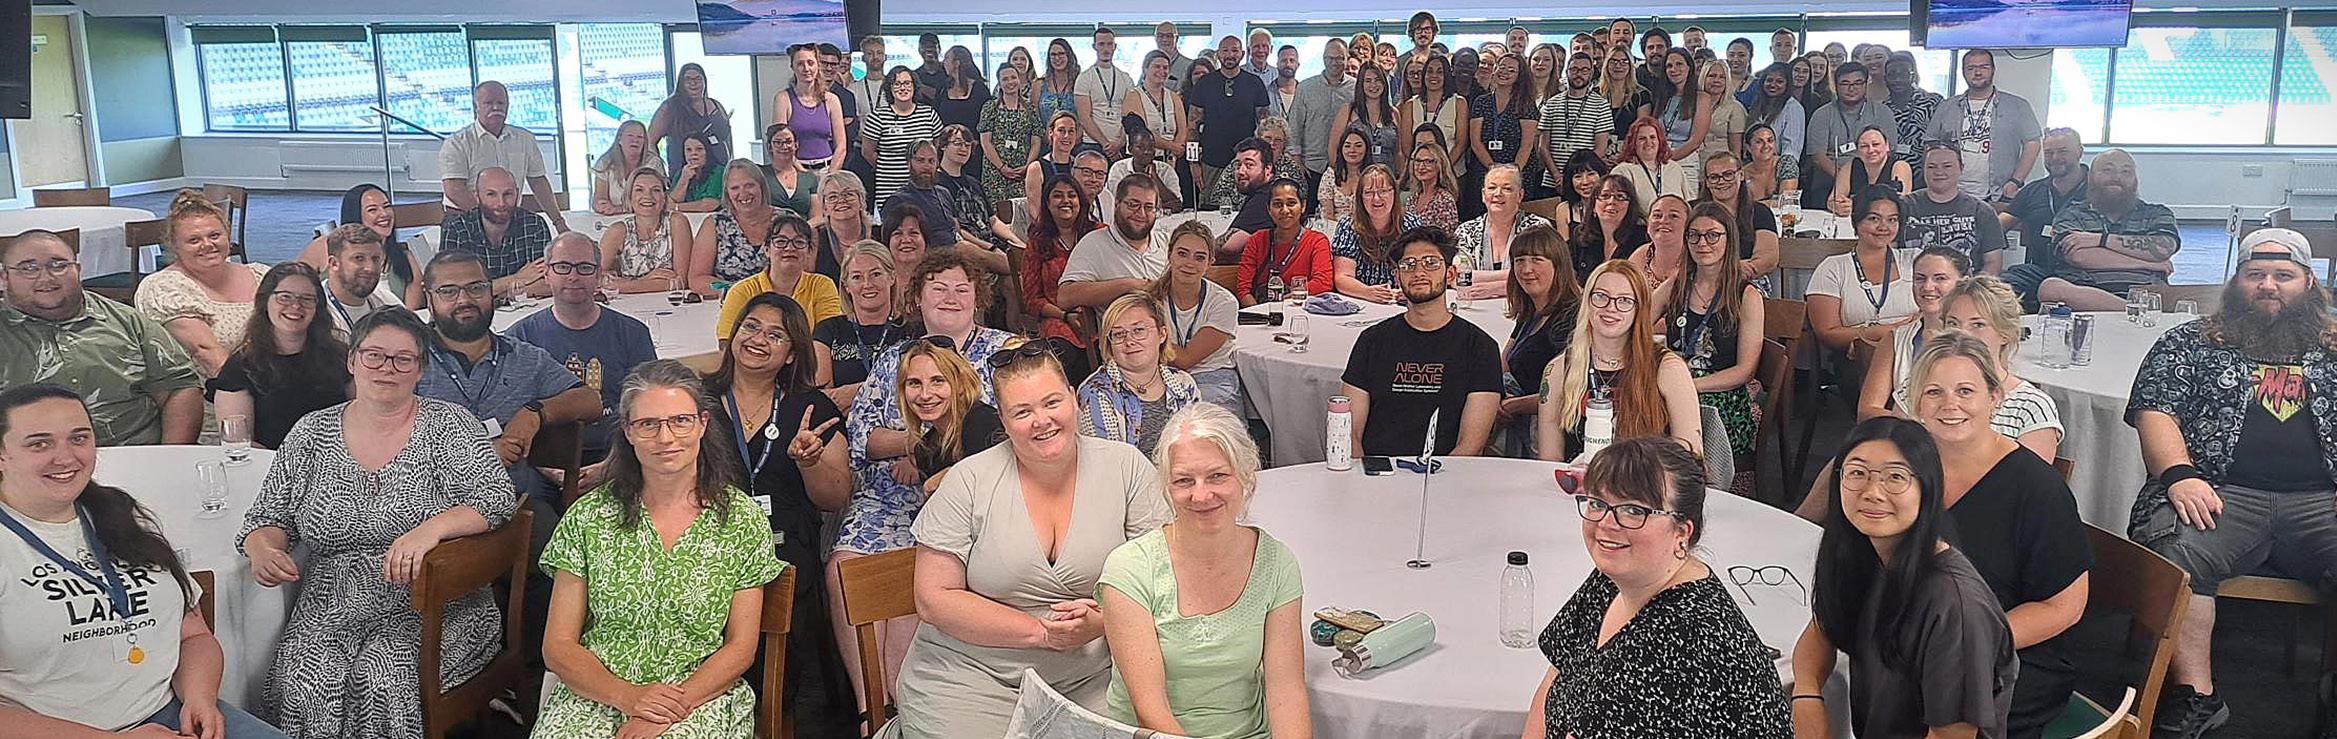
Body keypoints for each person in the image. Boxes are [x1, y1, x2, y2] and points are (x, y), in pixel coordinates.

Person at [239, 308, 520, 738]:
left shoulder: (449, 425)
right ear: (352, 360)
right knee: (305, 681)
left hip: (436, 600)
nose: (387, 368)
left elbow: (497, 499)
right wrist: (262, 547)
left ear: (420, 370)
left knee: (381, 676)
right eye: (374, 355)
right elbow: (269, 517)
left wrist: (430, 530)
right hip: (332, 604)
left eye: (403, 359)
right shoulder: (311, 432)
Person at [882, 344, 1171, 739]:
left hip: (1092, 676)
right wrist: (1041, 632)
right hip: (967, 676)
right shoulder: (967, 480)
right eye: (1022, 412)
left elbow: (1158, 580)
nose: (1041, 421)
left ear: (1074, 398)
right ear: (1002, 419)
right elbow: (933, 598)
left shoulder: (1127, 467)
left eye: (1052, 402)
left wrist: (1104, 620)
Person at [2123, 229, 2337, 738]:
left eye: (2283, 275)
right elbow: (2155, 412)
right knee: (2175, 553)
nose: (2269, 285)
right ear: (2235, 281)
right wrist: (2180, 476)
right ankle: (2197, 696)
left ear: (2309, 282)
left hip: (2323, 500)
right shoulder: (2189, 341)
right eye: (2255, 274)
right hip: (2218, 492)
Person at [0, 385, 291, 739]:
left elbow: (193, 635)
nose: (65, 457)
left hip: (168, 715)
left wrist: (199, 699)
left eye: (79, 438)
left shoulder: (118, 514)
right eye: (39, 444)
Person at [532, 358, 789, 738]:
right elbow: (558, 645)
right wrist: (629, 698)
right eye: (648, 424)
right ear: (628, 432)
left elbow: (740, 648)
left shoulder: (741, 520)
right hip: (598, 691)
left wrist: (660, 713)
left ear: (703, 423)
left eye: (680, 421)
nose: (666, 438)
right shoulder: (588, 517)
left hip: (697, 696)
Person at [835, 251, 1020, 696]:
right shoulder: (896, 357)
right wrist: (917, 447)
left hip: (973, 507)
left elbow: (1013, 441)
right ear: (917, 297)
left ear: (978, 298)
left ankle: (901, 701)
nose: (950, 297)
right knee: (847, 569)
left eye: (961, 289)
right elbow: (862, 434)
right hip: (890, 497)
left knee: (915, 579)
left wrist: (938, 469)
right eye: (938, 288)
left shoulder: (1008, 353)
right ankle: (870, 707)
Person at [1522, 437, 1791, 739]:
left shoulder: (1685, 638)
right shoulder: (1615, 576)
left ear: (1682, 531)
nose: (1607, 523)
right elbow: (1553, 680)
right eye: (1597, 503)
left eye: (1634, 510)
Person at [1901, 331, 2094, 739]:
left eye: (1965, 391)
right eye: (1934, 392)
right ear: (1916, 402)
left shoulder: (2037, 489)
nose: (1950, 404)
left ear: (1993, 397)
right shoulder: (1905, 471)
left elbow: (2064, 607)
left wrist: (1963, 645)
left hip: (2012, 655)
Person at [1790, 417, 2017, 739]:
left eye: (1895, 477)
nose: (1872, 492)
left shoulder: (1954, 605)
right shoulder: (1864, 552)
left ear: (1928, 488)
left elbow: (1951, 736)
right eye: (1857, 473)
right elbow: (1823, 627)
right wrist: (1807, 695)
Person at [1099, 403, 1308, 738]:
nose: (1201, 495)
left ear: (1245, 475)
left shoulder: (1276, 563)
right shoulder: (1130, 569)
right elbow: (1150, 711)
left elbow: (1287, 691)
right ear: (1167, 487)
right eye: (1184, 480)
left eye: (1217, 476)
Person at [702, 294, 857, 733]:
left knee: (790, 592)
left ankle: (773, 708)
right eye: (751, 327)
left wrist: (810, 463)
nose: (759, 339)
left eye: (776, 335)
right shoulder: (695, 400)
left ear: (791, 354)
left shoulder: (812, 410)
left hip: (784, 546)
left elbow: (835, 497)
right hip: (706, 545)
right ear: (734, 333)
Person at [415, 250, 603, 511]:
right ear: (429, 299)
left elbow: (590, 401)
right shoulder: (406, 360)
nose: (464, 300)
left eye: (476, 288)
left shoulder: (524, 357)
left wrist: (534, 413)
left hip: (516, 507)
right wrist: (478, 455)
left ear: (491, 290)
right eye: (448, 291)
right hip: (429, 508)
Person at [0, 231, 201, 446]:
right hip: (28, 460)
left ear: (77, 270)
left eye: (58, 265)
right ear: (4, 277)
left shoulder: (125, 320)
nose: (46, 278)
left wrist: (169, 455)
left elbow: (180, 386)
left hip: (136, 452)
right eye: (28, 268)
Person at [1340, 226, 1504, 457]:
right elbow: (1349, 433)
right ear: (1397, 277)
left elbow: (1471, 446)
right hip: (1376, 472)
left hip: (1448, 473)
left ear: (1450, 274)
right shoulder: (1372, 341)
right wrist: (1362, 474)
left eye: (1431, 263)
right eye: (1408, 265)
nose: (1418, 272)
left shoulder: (1480, 347)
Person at [506, 233, 658, 459]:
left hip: (619, 456)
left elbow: (649, 409)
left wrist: (612, 465)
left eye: (584, 268)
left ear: (598, 275)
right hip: (540, 459)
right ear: (546, 274)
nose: (573, 276)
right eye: (562, 267)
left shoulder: (633, 334)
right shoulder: (519, 338)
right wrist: (544, 469)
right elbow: (510, 415)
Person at [1536, 260, 1703, 462]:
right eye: (1601, 296)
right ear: (1587, 302)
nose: (1610, 308)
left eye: (1624, 300)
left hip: (1647, 480)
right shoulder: (1558, 370)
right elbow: (1550, 460)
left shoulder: (1668, 368)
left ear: (1639, 308)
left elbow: (1691, 457)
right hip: (1580, 479)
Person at [1663, 203, 1766, 461]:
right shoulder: (1678, 284)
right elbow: (1638, 318)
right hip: (1676, 380)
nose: (1702, 243)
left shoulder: (1746, 295)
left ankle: (1693, 478)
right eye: (1694, 235)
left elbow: (1745, 371)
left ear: (1729, 239)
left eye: (1712, 235)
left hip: (1721, 392)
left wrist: (1688, 386)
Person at [210, 262, 350, 451]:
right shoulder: (241, 367)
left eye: (307, 299)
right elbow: (238, 442)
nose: (296, 306)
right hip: (268, 464)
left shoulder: (341, 357)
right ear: (265, 301)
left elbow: (365, 418)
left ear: (317, 307)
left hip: (339, 461)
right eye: (285, 297)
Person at [136, 191, 268, 377]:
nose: (207, 244)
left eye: (214, 235)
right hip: (213, 386)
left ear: (227, 235)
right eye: (194, 240)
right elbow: (206, 355)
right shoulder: (164, 288)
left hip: (273, 377)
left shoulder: (261, 275)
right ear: (175, 246)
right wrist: (257, 390)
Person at [2038, 149, 2179, 312]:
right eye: (2107, 170)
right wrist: (2148, 263)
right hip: (2084, 298)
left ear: (2135, 180)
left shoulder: (2157, 214)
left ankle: (2133, 311)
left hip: (2146, 293)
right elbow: (2079, 256)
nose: (2117, 177)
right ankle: (2133, 312)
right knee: (2050, 288)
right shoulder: (2071, 214)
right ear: (2090, 177)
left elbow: (2163, 248)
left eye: (2126, 172)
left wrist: (2100, 240)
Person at [1078, 295, 1203, 454]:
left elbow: (1200, 446)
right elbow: (1110, 462)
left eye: (1138, 330)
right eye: (1119, 334)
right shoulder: (1095, 393)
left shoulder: (1184, 383)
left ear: (1162, 334)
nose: (1129, 341)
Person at [439, 80, 567, 234]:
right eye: (488, 103)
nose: (496, 108)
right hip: (464, 219)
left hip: (509, 218)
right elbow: (454, 189)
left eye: (501, 103)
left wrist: (558, 222)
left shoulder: (525, 139)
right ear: (476, 106)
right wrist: (489, 219)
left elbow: (538, 182)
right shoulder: (456, 143)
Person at [1807, 186, 1920, 353]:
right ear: (1856, 220)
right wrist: (1887, 331)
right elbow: (1827, 334)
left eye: (1892, 220)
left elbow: (1940, 308)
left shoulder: (1916, 260)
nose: (1883, 227)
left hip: (1915, 352)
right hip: (1858, 358)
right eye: (1874, 219)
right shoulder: (1832, 268)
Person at [1498, 227, 1582, 442]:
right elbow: (1504, 362)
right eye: (1520, 260)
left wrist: (1513, 406)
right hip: (1517, 417)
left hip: (1550, 430)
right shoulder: (1530, 312)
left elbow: (1571, 390)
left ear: (1558, 264)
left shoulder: (1573, 317)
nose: (1526, 269)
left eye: (1536, 260)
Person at [1927, 50, 2041, 203]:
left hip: (1998, 194)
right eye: (1971, 68)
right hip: (1951, 193)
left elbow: (2033, 143)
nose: (1978, 72)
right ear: (1963, 72)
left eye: (1984, 67)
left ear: (1993, 70)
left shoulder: (2017, 105)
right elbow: (1930, 144)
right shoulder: (1946, 107)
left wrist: (2016, 181)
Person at [1149, 222, 1242, 410]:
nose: (1190, 264)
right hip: (1160, 376)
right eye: (1182, 254)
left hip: (1213, 377)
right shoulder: (1149, 300)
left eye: (1199, 258)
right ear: (1169, 255)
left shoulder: (1224, 302)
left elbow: (1186, 359)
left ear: (1210, 263)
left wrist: (1149, 343)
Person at [717, 214, 845, 343]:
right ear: (767, 249)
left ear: (809, 251)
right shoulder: (742, 290)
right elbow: (726, 341)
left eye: (799, 242)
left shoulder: (822, 285)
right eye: (781, 242)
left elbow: (831, 339)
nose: (790, 248)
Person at [297, 185, 425, 312]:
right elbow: (292, 282)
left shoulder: (407, 260)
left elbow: (409, 315)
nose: (384, 214)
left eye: (387, 206)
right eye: (372, 210)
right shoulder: (325, 246)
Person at [1999, 128, 2087, 311]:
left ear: (2079, 152)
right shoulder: (2033, 191)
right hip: (2040, 271)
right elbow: (1997, 227)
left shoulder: (2098, 190)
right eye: (2049, 153)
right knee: (1994, 291)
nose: (2055, 158)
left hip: (2085, 273)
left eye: (2062, 151)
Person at [438, 167, 555, 297]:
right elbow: (451, 291)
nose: (501, 203)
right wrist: (518, 278)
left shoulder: (534, 224)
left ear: (517, 194)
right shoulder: (456, 229)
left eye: (508, 194)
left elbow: (548, 283)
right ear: (477, 196)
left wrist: (492, 292)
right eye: (491, 194)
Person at [1061, 175, 1171, 311]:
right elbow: (1065, 297)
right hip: (1125, 323)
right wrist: (1127, 286)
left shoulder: (1167, 242)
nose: (1141, 214)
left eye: (1149, 207)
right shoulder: (1094, 243)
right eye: (1133, 205)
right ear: (1116, 204)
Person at [814, 242, 904, 406]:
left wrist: (859, 391)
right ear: (846, 285)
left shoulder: (912, 330)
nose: (867, 284)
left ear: (891, 277)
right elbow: (821, 396)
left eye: (875, 274)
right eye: (857, 277)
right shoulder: (827, 330)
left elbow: (917, 385)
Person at [1901, 144, 2009, 273]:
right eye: (1931, 167)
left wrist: (1971, 286)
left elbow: (1993, 263)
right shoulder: (1903, 206)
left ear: (1961, 168)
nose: (1939, 172)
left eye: (1947, 166)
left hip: (1966, 284)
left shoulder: (1982, 211)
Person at [1805, 63, 1897, 211]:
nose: (1851, 88)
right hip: (1830, 180)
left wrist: (1864, 180)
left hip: (1873, 180)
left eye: (1857, 83)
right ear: (1835, 86)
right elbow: (1818, 156)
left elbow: (1889, 150)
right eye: (1845, 83)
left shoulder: (1882, 112)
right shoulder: (1822, 114)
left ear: (1866, 84)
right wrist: (1846, 178)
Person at [1455, 164, 1554, 300]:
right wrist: (1516, 276)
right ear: (1483, 195)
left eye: (1507, 189)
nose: (1498, 194)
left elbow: (1545, 275)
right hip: (1475, 305)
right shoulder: (1465, 231)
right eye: (1492, 188)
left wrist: (1498, 288)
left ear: (1520, 195)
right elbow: (1457, 277)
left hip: (1527, 304)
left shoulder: (1538, 228)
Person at [1187, 36, 1270, 194]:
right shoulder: (1204, 83)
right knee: (1210, 205)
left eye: (1234, 50)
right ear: (1218, 54)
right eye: (1225, 50)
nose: (1230, 55)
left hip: (1248, 163)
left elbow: (1264, 127)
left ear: (1242, 54)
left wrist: (1264, 161)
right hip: (1211, 161)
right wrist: (1193, 162)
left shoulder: (1255, 83)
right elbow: (1192, 126)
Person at [1022, 175, 1097, 350]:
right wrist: (1065, 315)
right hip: (1058, 317)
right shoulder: (1037, 242)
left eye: (1072, 195)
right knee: (1063, 350)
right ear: (1047, 204)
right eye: (1057, 195)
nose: (1066, 201)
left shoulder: (1098, 234)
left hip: (1099, 313)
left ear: (1080, 201)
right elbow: (1032, 299)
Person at [1330, 164, 1425, 303]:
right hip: (1362, 302)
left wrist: (1411, 290)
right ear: (1360, 197)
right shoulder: (1348, 226)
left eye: (1383, 191)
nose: (1376, 198)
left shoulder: (1412, 225)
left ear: (1394, 193)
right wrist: (1368, 292)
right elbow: (1342, 277)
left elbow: (1423, 270)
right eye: (1369, 192)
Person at [691, 160, 787, 295]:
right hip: (732, 300)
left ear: (761, 186)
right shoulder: (714, 224)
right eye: (735, 188)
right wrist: (739, 292)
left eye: (749, 185)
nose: (743, 193)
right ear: (727, 192)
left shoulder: (787, 221)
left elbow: (805, 272)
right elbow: (697, 279)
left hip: (782, 301)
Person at [1466, 53, 1542, 222]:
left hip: (1518, 170)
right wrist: (1493, 170)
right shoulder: (1481, 102)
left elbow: (1526, 145)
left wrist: (1511, 174)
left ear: (1519, 76)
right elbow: (1476, 142)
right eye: (1501, 67)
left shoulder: (1526, 104)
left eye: (1511, 70)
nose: (1504, 72)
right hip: (1484, 169)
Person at [1237, 179, 1336, 306]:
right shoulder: (1257, 240)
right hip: (1259, 310)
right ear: (1268, 209)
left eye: (1291, 203)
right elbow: (1243, 290)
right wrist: (1259, 312)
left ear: (1303, 206)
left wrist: (1282, 304)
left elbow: (1323, 282)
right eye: (1277, 204)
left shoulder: (1317, 241)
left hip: (1299, 309)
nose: (1285, 210)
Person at [597, 167, 695, 292]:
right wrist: (645, 281)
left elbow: (681, 281)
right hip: (627, 301)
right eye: (639, 190)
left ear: (664, 197)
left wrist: (624, 285)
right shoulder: (618, 230)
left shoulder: (677, 222)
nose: (648, 196)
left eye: (655, 190)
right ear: (629, 197)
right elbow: (593, 277)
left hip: (670, 300)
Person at [862, 66, 943, 210]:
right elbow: (868, 153)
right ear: (890, 88)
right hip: (890, 190)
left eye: (907, 83)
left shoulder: (929, 114)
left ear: (914, 86)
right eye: (897, 84)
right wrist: (890, 167)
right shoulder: (877, 117)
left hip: (924, 188)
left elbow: (938, 149)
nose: (903, 88)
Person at [647, 64, 735, 190]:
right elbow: (650, 140)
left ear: (704, 82)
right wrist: (660, 173)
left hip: (719, 175)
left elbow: (727, 138)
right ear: (681, 83)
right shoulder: (670, 108)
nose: (693, 83)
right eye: (688, 79)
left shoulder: (716, 105)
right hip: (686, 178)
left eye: (698, 79)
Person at [1535, 51, 1614, 192]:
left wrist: (1577, 178)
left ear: (1591, 73)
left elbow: (1600, 148)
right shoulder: (1552, 103)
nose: (1579, 74)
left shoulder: (1601, 105)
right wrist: (1557, 176)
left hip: (1585, 183)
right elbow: (1543, 147)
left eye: (1584, 70)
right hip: (1552, 181)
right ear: (1566, 72)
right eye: (1574, 69)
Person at [1700, 152, 1783, 286]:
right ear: (1707, 182)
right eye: (1714, 177)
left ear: (1741, 175)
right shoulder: (1693, 211)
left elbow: (1768, 259)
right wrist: (1728, 270)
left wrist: (1737, 273)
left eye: (1728, 174)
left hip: (1746, 282)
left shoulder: (1760, 212)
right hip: (1701, 281)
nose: (1721, 181)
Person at [938, 124, 1025, 251]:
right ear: (943, 146)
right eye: (958, 144)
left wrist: (1017, 242)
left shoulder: (973, 183)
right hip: (966, 248)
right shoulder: (937, 184)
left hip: (991, 242)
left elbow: (993, 221)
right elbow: (955, 229)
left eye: (968, 145)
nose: (964, 149)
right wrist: (990, 249)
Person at [1639, 50, 1713, 193]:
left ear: (1689, 67)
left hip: (1685, 160)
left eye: (1679, 64)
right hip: (1656, 158)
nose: (1673, 69)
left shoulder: (1702, 98)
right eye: (1669, 66)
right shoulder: (1661, 97)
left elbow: (1696, 140)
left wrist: (1668, 158)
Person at [312, 224, 407, 333]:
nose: (370, 268)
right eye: (359, 258)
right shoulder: (314, 311)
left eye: (375, 259)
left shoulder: (388, 302)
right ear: (334, 263)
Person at [1288, 39, 1354, 187]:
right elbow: (1294, 125)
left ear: (1347, 58)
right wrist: (1297, 160)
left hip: (1347, 165)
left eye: (1339, 58)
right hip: (1311, 166)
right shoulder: (1305, 88)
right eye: (1330, 58)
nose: (1334, 62)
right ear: (1323, 58)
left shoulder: (1356, 88)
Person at [773, 45, 847, 172]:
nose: (806, 68)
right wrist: (805, 175)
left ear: (817, 65)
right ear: (792, 67)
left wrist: (830, 175)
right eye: (800, 64)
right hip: (796, 170)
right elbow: (780, 144)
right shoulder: (783, 99)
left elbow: (841, 146)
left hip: (827, 169)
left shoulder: (831, 100)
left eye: (810, 63)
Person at [979, 62, 1041, 212]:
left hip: (1022, 173)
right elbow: (985, 142)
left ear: (1019, 80)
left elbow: (1036, 141)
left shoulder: (1030, 109)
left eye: (1013, 77)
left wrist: (1027, 166)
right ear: (999, 83)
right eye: (1005, 79)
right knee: (999, 214)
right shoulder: (990, 108)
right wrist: (1002, 167)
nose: (1010, 82)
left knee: (1022, 213)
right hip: (995, 173)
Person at [1211, 139, 1282, 259]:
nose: (1240, 171)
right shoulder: (1272, 189)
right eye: (1238, 165)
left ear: (1268, 168)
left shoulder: (1264, 198)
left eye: (1249, 165)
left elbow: (1229, 246)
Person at [1399, 55, 1465, 180]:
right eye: (1429, 71)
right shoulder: (1410, 105)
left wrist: (1442, 168)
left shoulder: (1458, 103)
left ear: (1447, 76)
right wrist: (1423, 166)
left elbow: (1460, 143)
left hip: (1452, 174)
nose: (1434, 76)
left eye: (1440, 72)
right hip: (1419, 174)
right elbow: (1407, 146)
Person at [1106, 116, 1186, 216]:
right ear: (1130, 149)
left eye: (1151, 147)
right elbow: (1118, 203)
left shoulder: (1166, 170)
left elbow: (1177, 205)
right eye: (1141, 147)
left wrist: (1155, 178)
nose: (1147, 151)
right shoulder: (1119, 169)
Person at [1573, 175, 1650, 276]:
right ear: (1593, 206)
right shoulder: (1581, 234)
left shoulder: (1642, 237)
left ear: (1630, 206)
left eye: (1620, 196)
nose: (1611, 202)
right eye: (1605, 196)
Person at [1075, 29, 1135, 157]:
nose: (1106, 49)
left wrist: (1120, 143)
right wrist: (1105, 144)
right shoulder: (1084, 78)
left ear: (1115, 46)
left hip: (1120, 145)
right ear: (1094, 46)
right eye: (1101, 44)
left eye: (1109, 44)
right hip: (1093, 143)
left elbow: (1130, 115)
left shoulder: (1126, 78)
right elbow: (1084, 118)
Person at [1329, 63, 1399, 171]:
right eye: (1368, 81)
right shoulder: (1348, 111)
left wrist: (1400, 178)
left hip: (1388, 177)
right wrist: (1343, 175)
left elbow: (1399, 152)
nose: (1373, 85)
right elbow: (1333, 149)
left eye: (1377, 80)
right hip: (1356, 178)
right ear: (1361, 84)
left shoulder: (1394, 113)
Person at [1829, 126, 1913, 215]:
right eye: (1864, 146)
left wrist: (1856, 206)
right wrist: (1839, 207)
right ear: (1857, 151)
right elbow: (1832, 201)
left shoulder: (1900, 166)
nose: (1871, 150)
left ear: (1887, 146)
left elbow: (1898, 204)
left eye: (1876, 144)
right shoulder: (1850, 166)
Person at [1881, 53, 1942, 172]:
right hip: (1891, 171)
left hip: (1927, 170)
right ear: (1885, 78)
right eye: (1892, 75)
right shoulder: (1882, 108)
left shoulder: (1933, 102)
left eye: (1904, 74)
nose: (1898, 79)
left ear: (1913, 76)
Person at [590, 120, 664, 216]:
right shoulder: (605, 162)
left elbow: (658, 199)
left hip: (645, 217)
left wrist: (620, 209)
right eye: (630, 136)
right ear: (619, 139)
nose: (635, 140)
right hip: (612, 218)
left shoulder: (653, 163)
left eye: (640, 137)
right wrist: (601, 205)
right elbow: (599, 197)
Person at [813, 170, 874, 281]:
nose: (841, 200)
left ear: (861, 200)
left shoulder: (881, 235)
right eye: (832, 197)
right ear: (824, 207)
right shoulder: (815, 238)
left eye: (848, 194)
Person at [1613, 117, 1687, 206]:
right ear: (1633, 143)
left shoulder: (1674, 168)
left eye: (1652, 137)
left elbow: (1688, 202)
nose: (1648, 142)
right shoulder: (1622, 171)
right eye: (1642, 138)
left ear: (1660, 140)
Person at [1633, 195, 1692, 304]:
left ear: (1688, 225)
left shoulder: (1696, 258)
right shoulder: (1640, 256)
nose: (1663, 221)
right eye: (1657, 215)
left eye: (1673, 216)